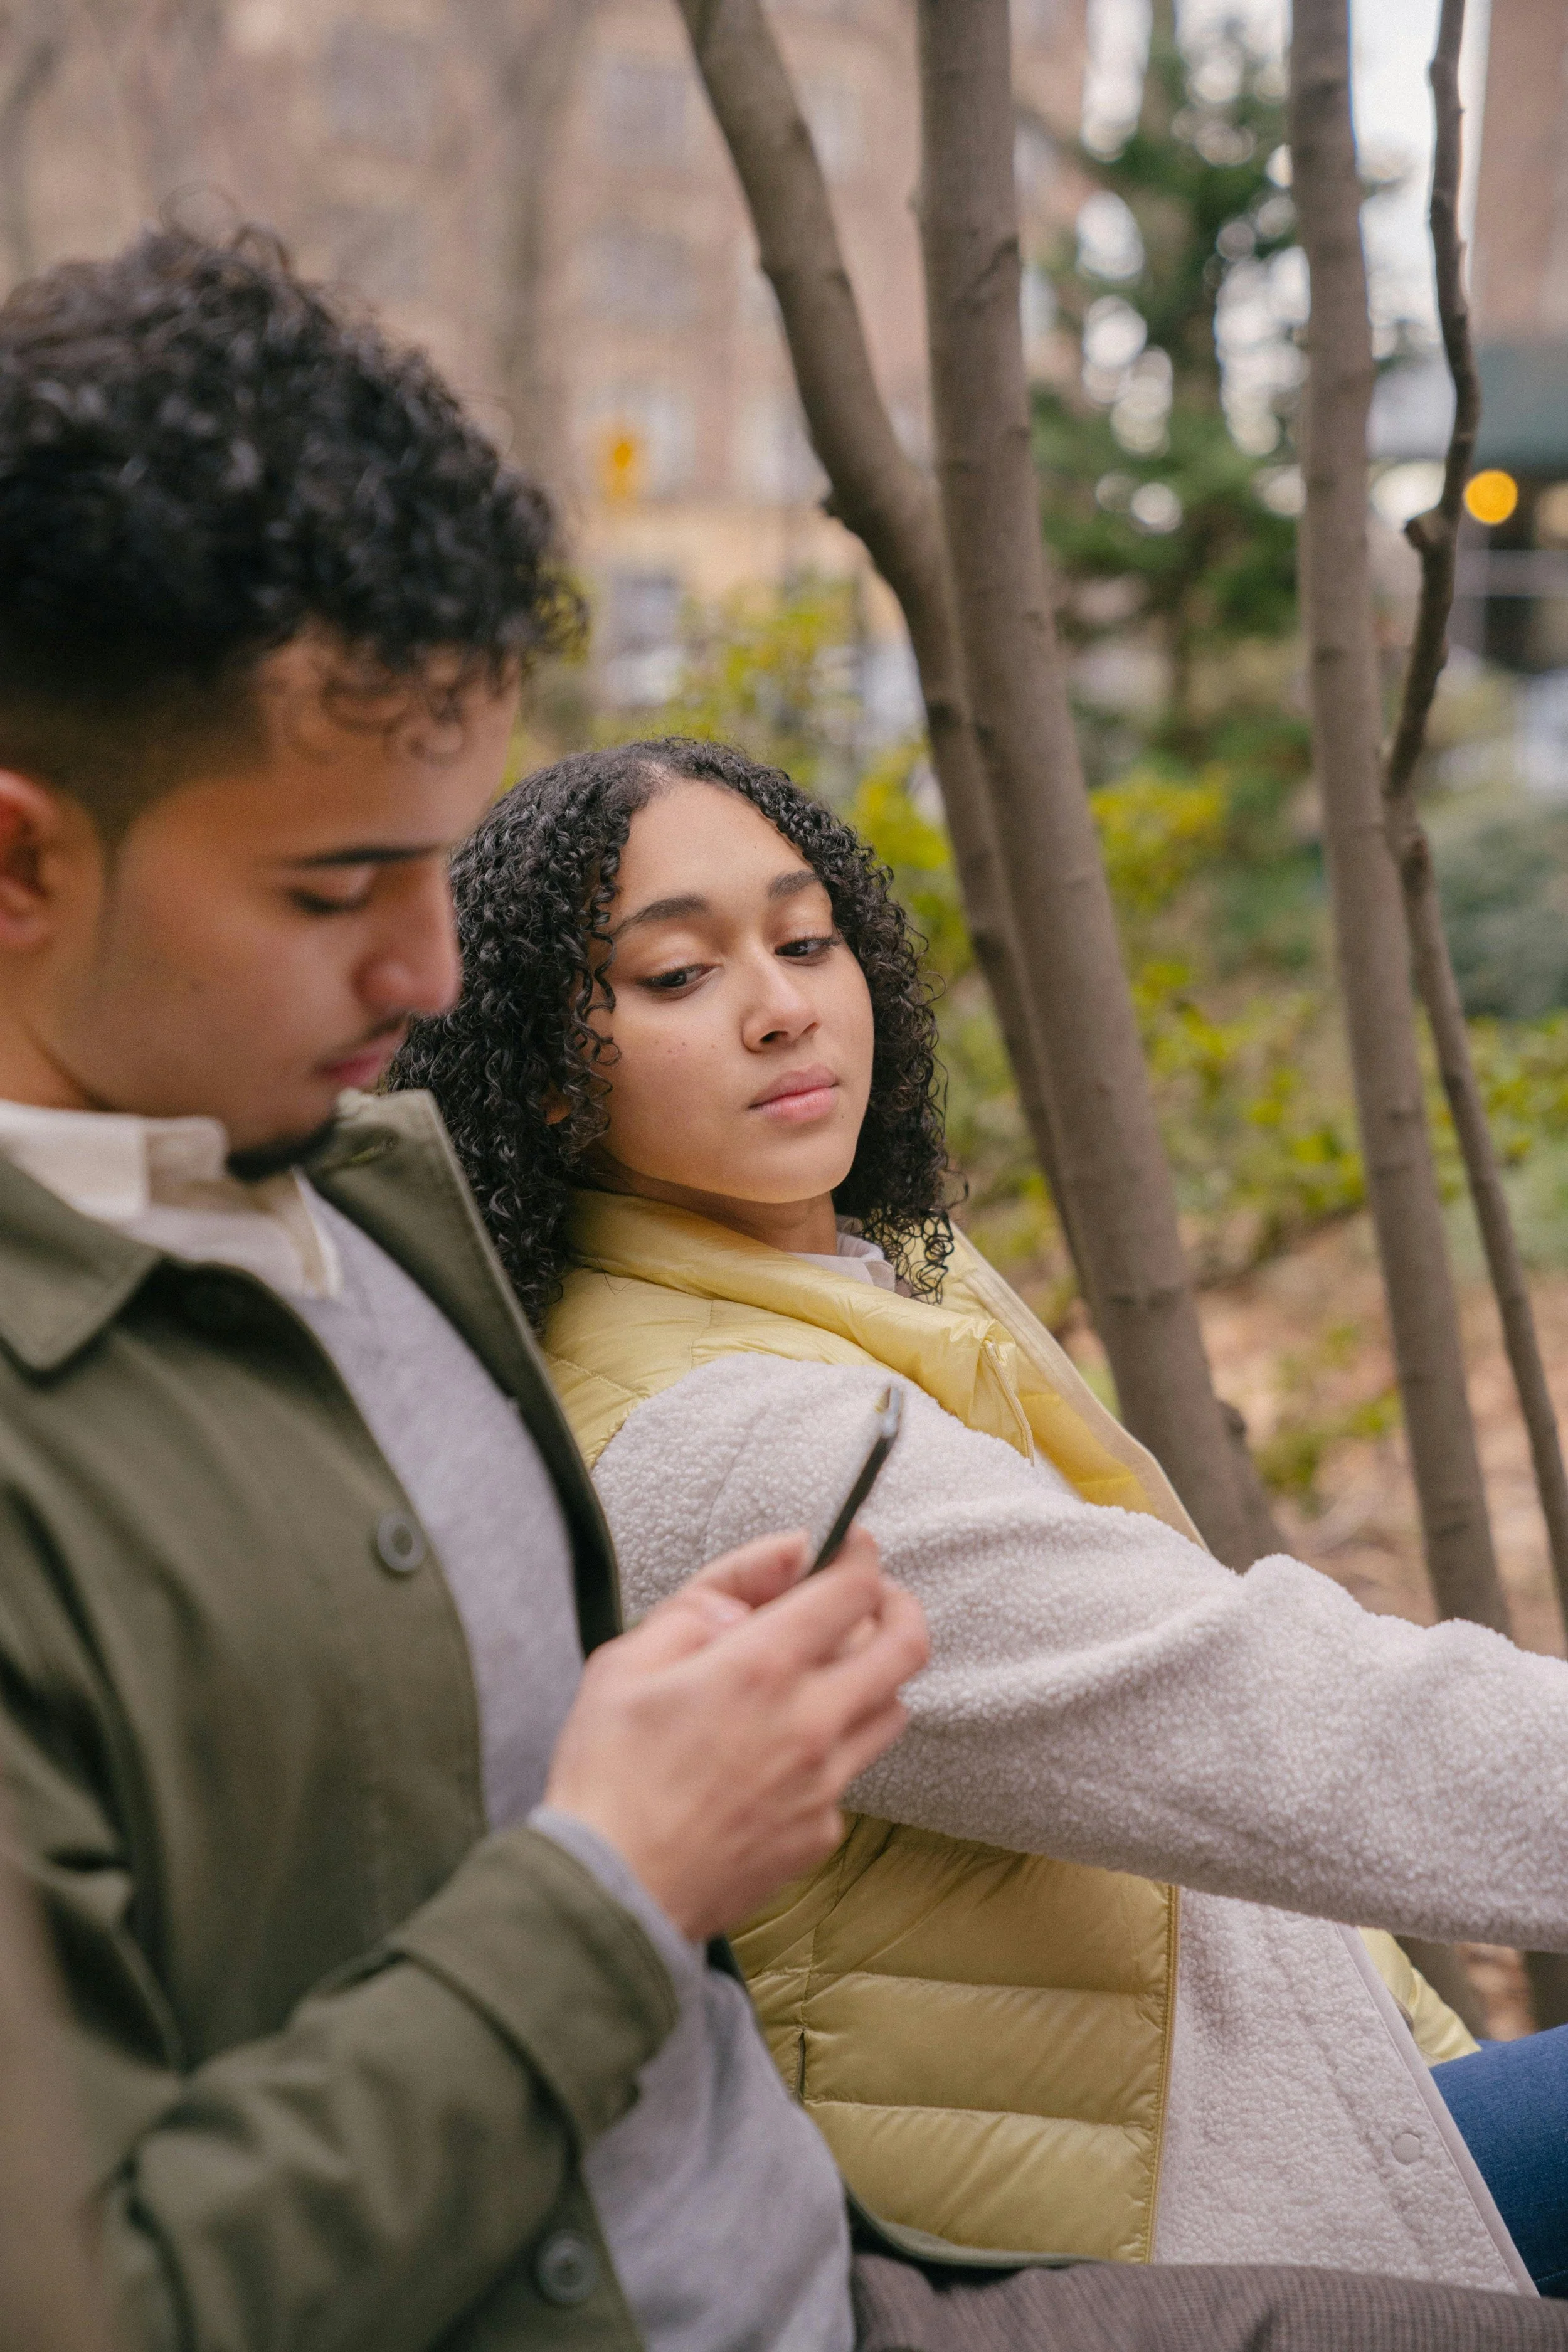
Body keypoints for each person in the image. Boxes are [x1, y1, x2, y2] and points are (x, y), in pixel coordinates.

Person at [8, 225, 1555, 2352]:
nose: (427, 973)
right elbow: (1278, 1725)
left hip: (902, 2245)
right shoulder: (714, 1419)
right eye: (329, 889)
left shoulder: (383, 1217)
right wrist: (616, 1877)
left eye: (809, 937)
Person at [398, 731, 1568, 2306]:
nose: (780, 1005)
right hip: (1147, 2253)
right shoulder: (746, 1444)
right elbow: (1279, 1718)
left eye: (805, 941)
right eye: (675, 978)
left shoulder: (852, 1288)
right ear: (544, 1075)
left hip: (1247, 2120)